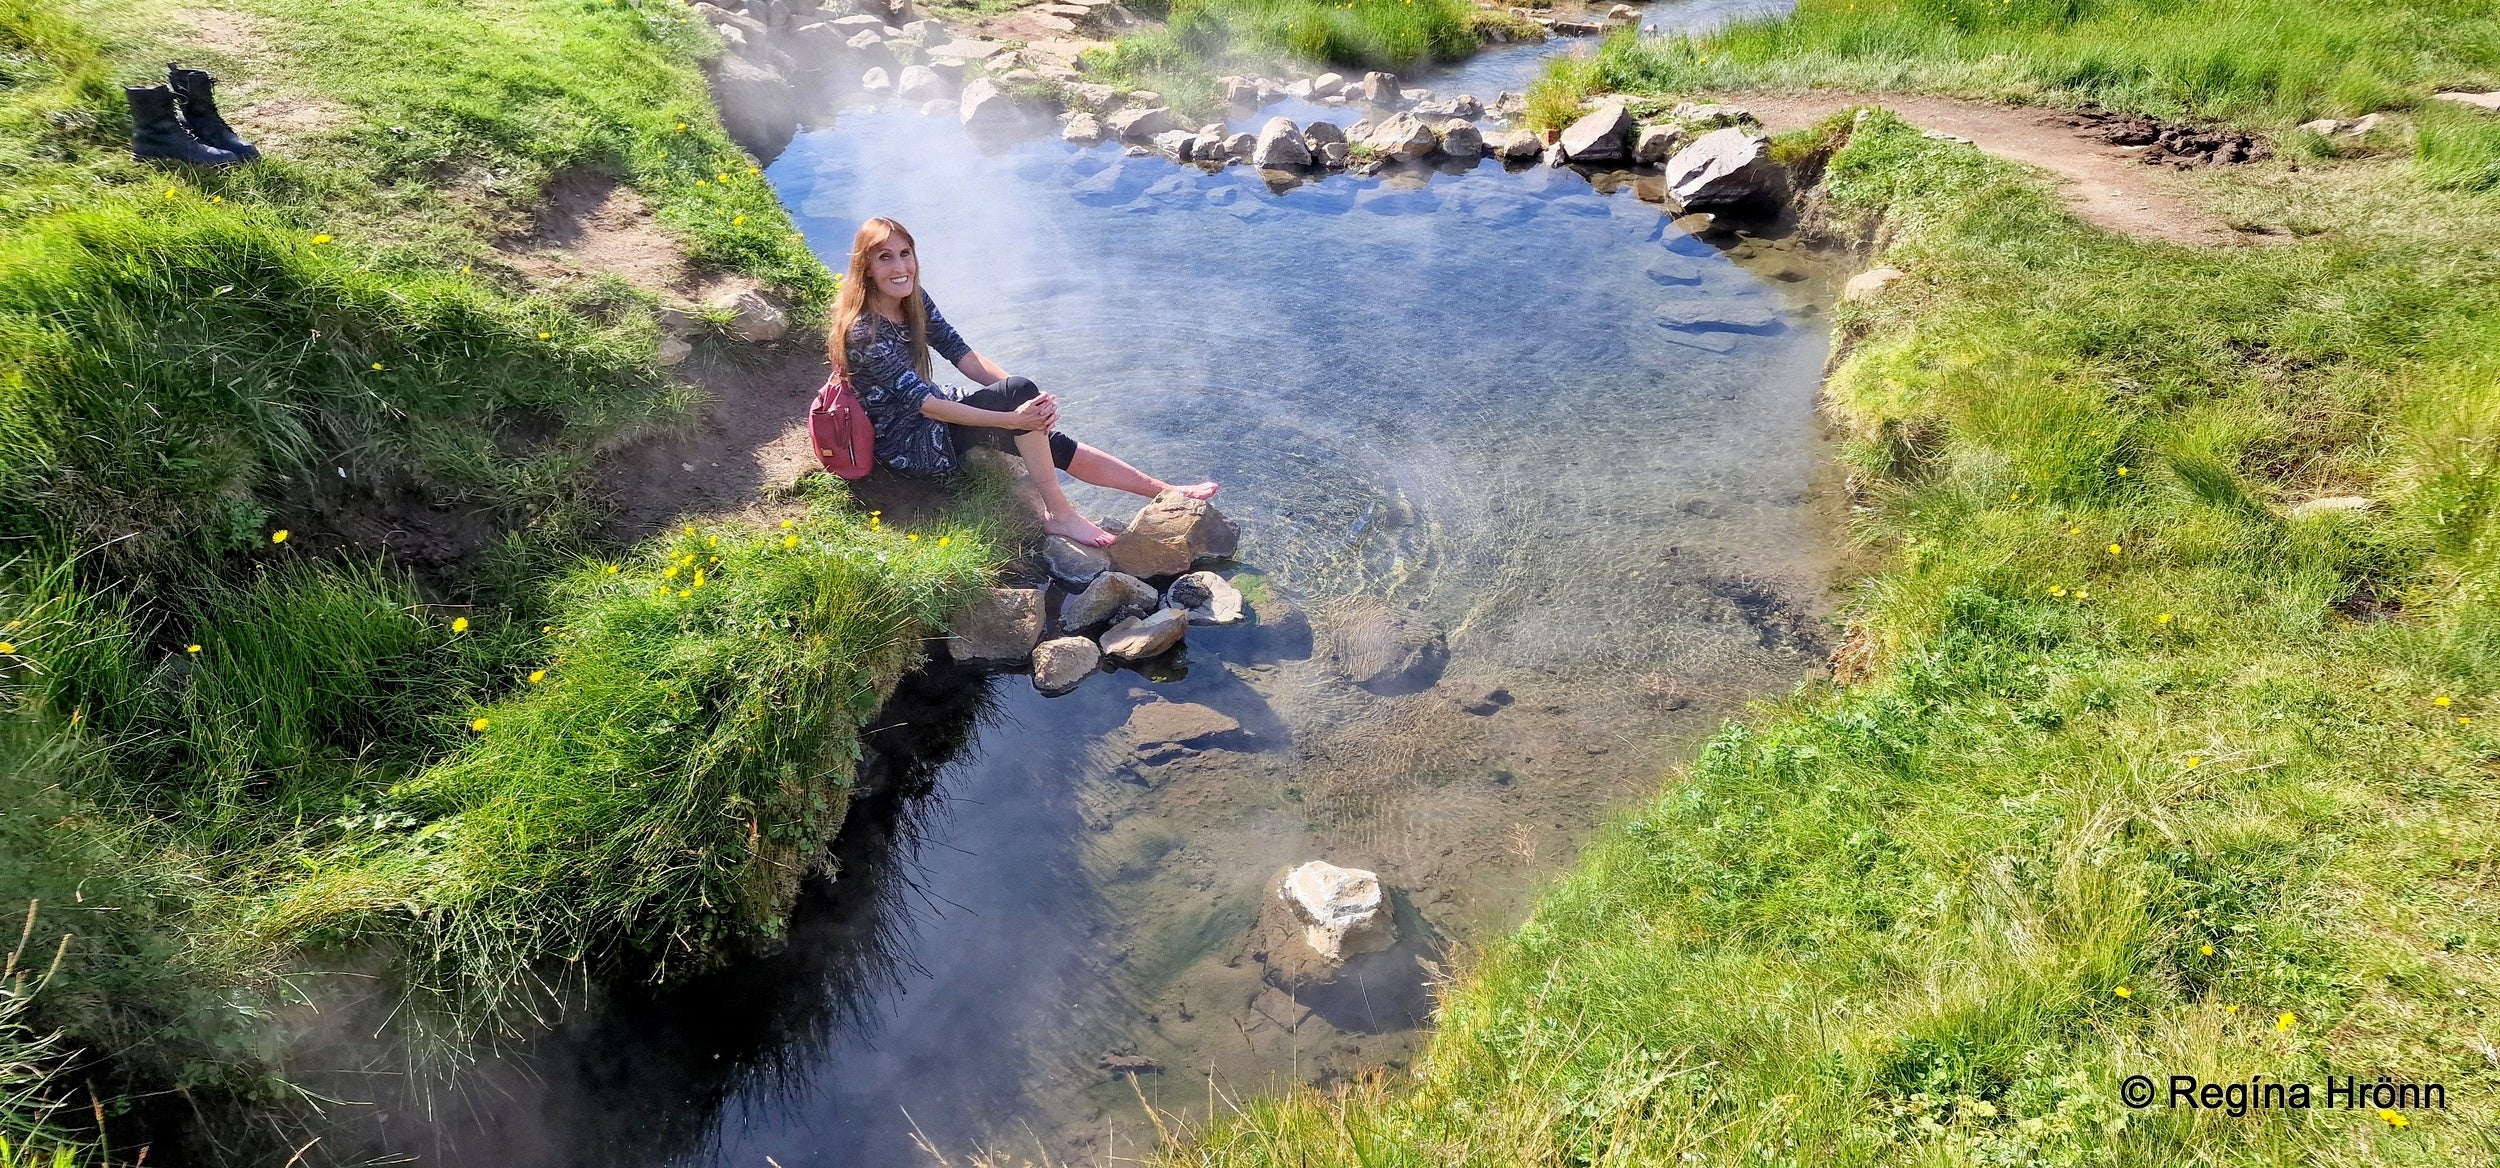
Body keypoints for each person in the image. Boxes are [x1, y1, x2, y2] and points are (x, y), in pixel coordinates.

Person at [829, 217, 1216, 547]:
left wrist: (1025, 399)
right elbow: (923, 406)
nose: (901, 266)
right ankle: (1060, 514)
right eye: (885, 258)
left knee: (1038, 422)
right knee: (1022, 414)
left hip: (934, 413)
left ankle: (1165, 490)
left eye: (905, 254)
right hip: (907, 440)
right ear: (865, 268)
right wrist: (1014, 417)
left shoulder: (912, 298)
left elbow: (962, 354)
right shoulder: (864, 331)